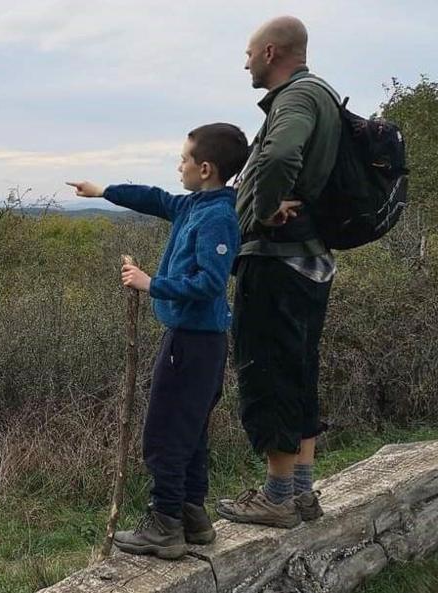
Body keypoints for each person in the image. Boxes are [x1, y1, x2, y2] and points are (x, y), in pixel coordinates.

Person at [67, 122, 249, 559]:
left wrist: (153, 284)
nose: (178, 166)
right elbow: (154, 198)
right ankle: (192, 517)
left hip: (193, 343)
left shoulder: (217, 218)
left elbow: (209, 282)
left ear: (205, 168)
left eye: (183, 159)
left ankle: (165, 525)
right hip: (195, 341)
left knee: (165, 433)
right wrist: (104, 190)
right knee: (190, 432)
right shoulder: (194, 207)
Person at [215, 16, 341, 529]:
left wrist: (262, 209)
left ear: (270, 52)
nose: (244, 62)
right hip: (308, 259)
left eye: (248, 53)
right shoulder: (322, 95)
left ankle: (276, 497)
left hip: (278, 261)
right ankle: (301, 493)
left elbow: (283, 152)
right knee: (298, 370)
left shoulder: (296, 98)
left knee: (266, 372)